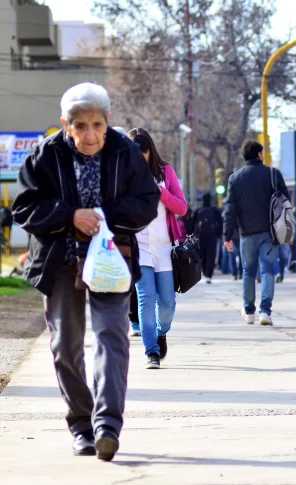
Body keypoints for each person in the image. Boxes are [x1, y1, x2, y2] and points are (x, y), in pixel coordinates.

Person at [11, 83, 159, 460]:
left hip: (111, 259)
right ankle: (81, 424)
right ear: (65, 124)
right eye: (80, 126)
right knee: (65, 347)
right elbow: (25, 208)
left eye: (97, 125)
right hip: (59, 261)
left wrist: (104, 217)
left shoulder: (125, 153)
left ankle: (107, 424)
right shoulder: (43, 155)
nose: (89, 135)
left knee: (113, 338)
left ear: (108, 122)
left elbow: (146, 203)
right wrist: (69, 216)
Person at [127, 128, 188, 370]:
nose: (141, 157)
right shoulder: (124, 176)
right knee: (145, 299)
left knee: (167, 303)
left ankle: (162, 333)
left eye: (145, 152)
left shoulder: (166, 172)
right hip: (139, 248)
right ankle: (151, 351)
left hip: (164, 249)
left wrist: (161, 192)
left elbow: (182, 208)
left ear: (151, 150)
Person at [222, 140, 289, 325]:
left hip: (246, 234)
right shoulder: (273, 174)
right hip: (270, 232)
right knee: (267, 271)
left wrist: (227, 236)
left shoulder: (235, 178)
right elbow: (286, 201)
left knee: (248, 272)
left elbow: (229, 210)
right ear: (259, 154)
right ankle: (265, 312)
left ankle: (249, 311)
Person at [193, 192, 222, 284]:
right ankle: (209, 275)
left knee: (202, 254)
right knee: (211, 255)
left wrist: (193, 234)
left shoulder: (198, 210)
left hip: (201, 235)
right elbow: (221, 222)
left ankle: (205, 272)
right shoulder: (215, 210)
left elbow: (193, 223)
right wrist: (219, 233)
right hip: (212, 235)